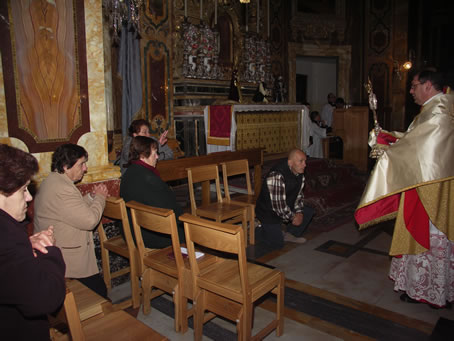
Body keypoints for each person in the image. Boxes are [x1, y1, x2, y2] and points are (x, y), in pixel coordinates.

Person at [355, 69, 454, 308]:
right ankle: (424, 288)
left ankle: (428, 292)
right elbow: (414, 141)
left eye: (414, 85)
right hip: (426, 184)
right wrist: (387, 138)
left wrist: (388, 151)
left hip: (429, 188)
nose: (411, 91)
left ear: (428, 86)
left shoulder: (438, 114)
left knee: (428, 236)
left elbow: (421, 154)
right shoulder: (434, 109)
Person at [0, 144, 66, 340]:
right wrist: (50, 251)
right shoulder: (7, 235)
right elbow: (46, 298)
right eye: (23, 190)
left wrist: (27, 243)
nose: (29, 197)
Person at [34, 144, 109, 299]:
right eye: (81, 164)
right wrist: (101, 197)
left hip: (59, 247)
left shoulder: (53, 181)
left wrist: (90, 197)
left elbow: (69, 209)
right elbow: (89, 221)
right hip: (68, 257)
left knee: (98, 291)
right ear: (66, 166)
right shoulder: (63, 188)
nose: (85, 168)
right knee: (100, 295)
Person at [120, 136, 185, 248]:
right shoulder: (149, 179)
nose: (157, 157)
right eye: (154, 153)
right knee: (191, 231)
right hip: (152, 235)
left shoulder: (129, 173)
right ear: (142, 156)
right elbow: (172, 210)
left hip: (132, 231)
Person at [255, 148, 315, 249]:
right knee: (277, 244)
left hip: (284, 207)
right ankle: (255, 228)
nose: (304, 165)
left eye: (305, 161)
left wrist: (299, 212)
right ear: (290, 163)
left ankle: (289, 234)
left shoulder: (299, 172)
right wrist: (293, 217)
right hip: (268, 212)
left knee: (308, 211)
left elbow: (299, 195)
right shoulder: (276, 175)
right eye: (301, 161)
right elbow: (278, 207)